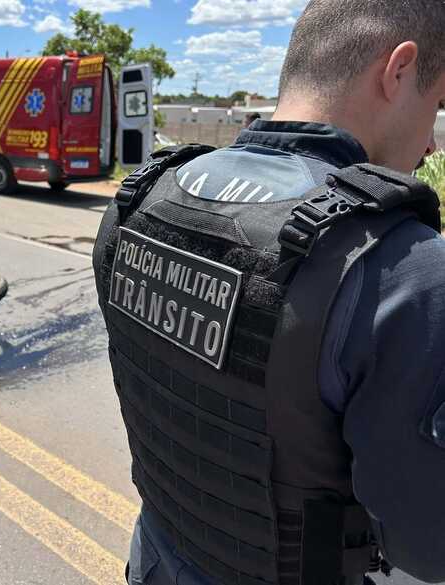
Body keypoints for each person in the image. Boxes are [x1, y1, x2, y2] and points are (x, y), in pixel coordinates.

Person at [92, 1, 445, 584]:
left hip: (155, 557)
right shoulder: (402, 268)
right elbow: (429, 549)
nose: (432, 145)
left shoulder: (140, 201)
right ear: (398, 70)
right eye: (436, 106)